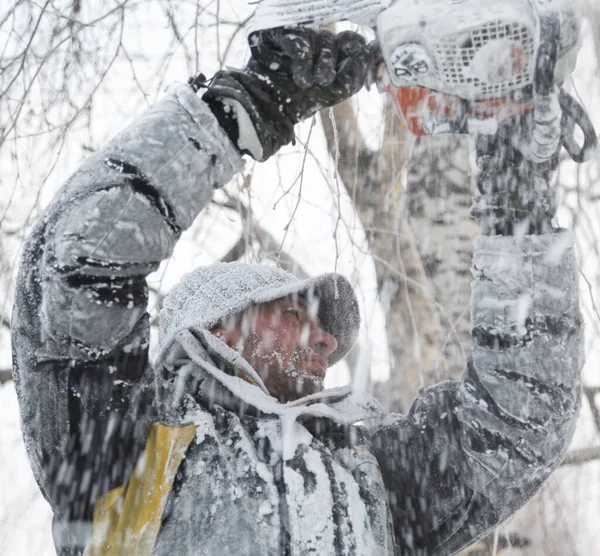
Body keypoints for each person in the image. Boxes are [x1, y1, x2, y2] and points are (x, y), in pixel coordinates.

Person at [11, 26, 582, 556]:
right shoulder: (128, 455)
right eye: (294, 311)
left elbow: (516, 428)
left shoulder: (370, 473)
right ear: (217, 329)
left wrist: (518, 211)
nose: (328, 340)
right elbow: (77, 257)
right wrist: (244, 109)